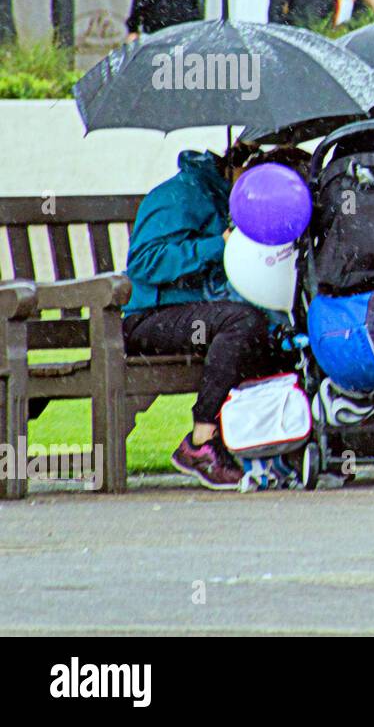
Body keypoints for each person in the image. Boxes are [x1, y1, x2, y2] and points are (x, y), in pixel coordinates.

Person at [122, 142, 285, 490]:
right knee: (242, 322)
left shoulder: (232, 196)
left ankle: (268, 444)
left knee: (278, 331)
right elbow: (144, 262)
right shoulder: (179, 194)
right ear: (237, 166)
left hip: (203, 317)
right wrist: (219, 243)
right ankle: (200, 442)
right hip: (151, 317)